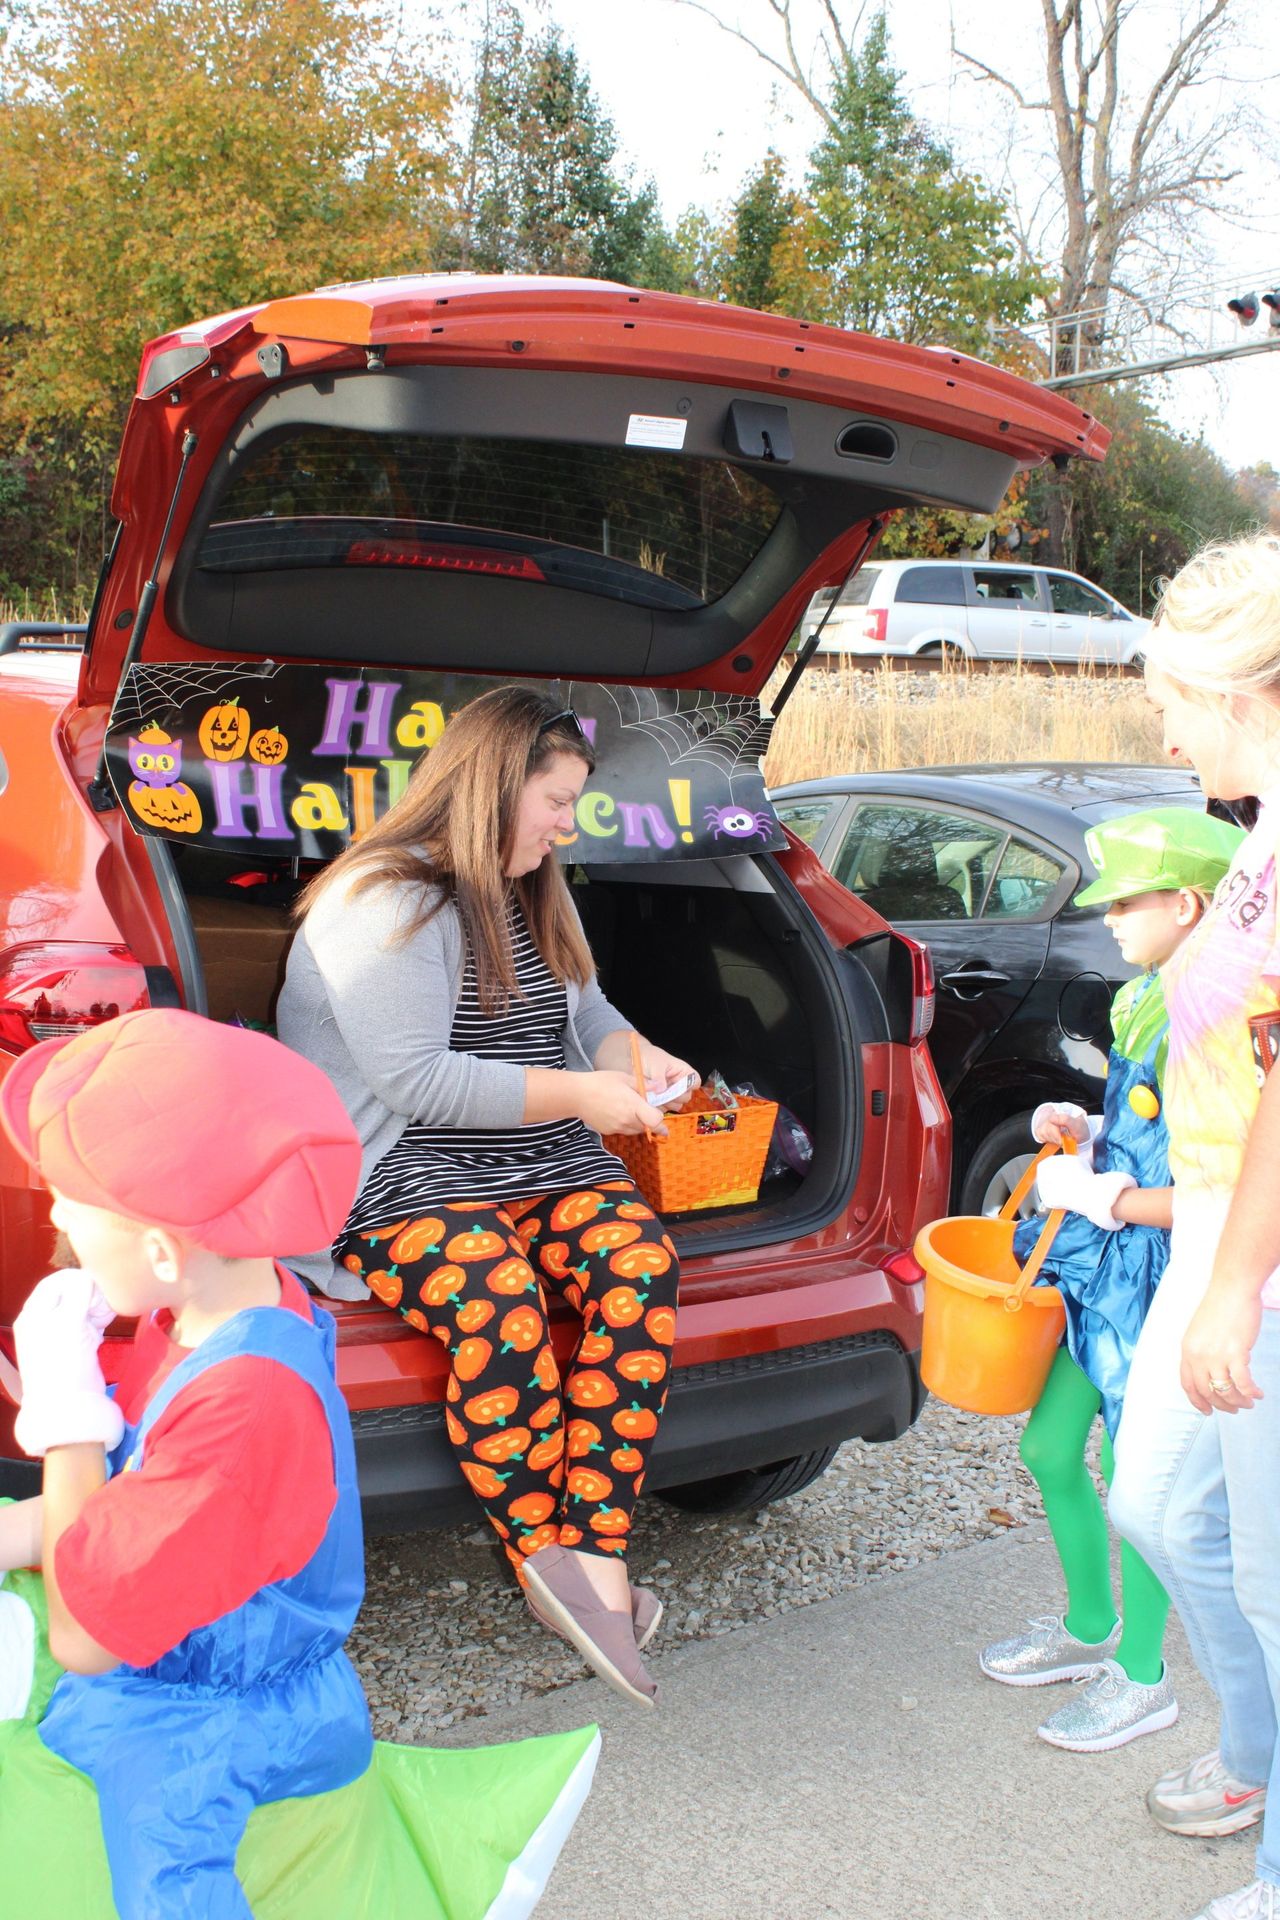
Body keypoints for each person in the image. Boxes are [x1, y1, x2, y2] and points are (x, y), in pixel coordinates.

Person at [0, 1008, 599, 1920]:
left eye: (73, 1213)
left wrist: (65, 1414)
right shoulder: (220, 1308)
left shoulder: (246, 1401)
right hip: (186, 1652)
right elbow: (139, 1501)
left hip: (204, 1727)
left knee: (159, 1883)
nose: (59, 1225)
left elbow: (86, 1637)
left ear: (163, 1249)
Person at [277, 685, 695, 1711]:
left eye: (572, 803)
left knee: (640, 1264)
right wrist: (587, 1095)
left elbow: (589, 1010)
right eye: (553, 799)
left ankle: (591, 1552)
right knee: (497, 1297)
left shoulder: (531, 885)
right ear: (489, 785)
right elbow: (415, 1080)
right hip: (400, 1167)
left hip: (533, 1153)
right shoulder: (380, 898)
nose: (566, 823)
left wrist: (638, 1063)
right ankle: (541, 1553)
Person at [979, 807, 1242, 1754]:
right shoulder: (1146, 997)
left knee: (1146, 1488)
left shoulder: (1225, 1023)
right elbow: (1140, 1124)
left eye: (1126, 901)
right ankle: (1089, 1628)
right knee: (1052, 1452)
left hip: (1165, 1284)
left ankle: (1143, 1674)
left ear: (1191, 901)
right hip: (1106, 1278)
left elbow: (1231, 1191)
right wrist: (1086, 1131)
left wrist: (1109, 1197)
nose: (1109, 920)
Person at [1104, 532, 1280, 1920]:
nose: (1160, 724)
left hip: (1257, 1257)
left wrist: (1233, 1289)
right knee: (1154, 1505)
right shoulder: (1262, 830)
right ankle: (1257, 1754)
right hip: (1222, 1233)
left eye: (1169, 695)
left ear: (1238, 688)